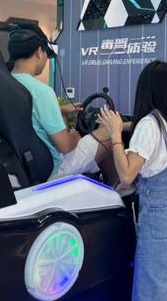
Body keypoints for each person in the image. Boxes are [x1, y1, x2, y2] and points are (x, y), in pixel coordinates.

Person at [97, 61, 167, 301]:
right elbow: (151, 132)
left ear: (145, 89)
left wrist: (116, 135)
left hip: (159, 221)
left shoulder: (149, 126)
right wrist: (122, 125)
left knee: (155, 293)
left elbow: (126, 175)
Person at [8, 23, 126, 185]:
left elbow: (25, 114)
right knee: (108, 132)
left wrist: (60, 109)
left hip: (24, 164)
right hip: (53, 167)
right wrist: (78, 133)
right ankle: (115, 190)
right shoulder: (42, 92)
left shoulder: (5, 85)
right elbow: (65, 146)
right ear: (39, 52)